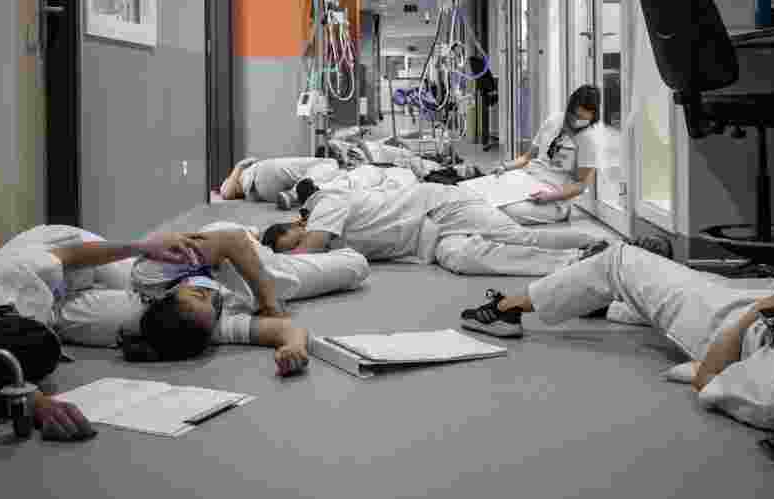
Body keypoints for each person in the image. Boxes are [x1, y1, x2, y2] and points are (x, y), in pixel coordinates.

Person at [459, 239, 774, 494]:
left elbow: (709, 377)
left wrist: (755, 315)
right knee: (646, 289)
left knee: (621, 261)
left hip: (732, 322)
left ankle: (506, 310)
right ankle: (609, 303)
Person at [0, 225, 204, 441]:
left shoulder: (4, 274)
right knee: (154, 320)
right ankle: (208, 310)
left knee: (153, 272)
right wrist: (38, 403)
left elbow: (69, 256)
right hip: (55, 305)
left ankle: (212, 275)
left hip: (73, 256)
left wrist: (142, 245)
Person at [124, 221, 370, 371]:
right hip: (253, 278)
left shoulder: (152, 275)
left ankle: (264, 238)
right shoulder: (208, 327)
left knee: (243, 239)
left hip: (243, 255)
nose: (212, 297)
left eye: (199, 294)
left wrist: (269, 303)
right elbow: (285, 329)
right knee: (357, 266)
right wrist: (293, 346)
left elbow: (232, 240)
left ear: (166, 297)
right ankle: (268, 240)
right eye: (214, 306)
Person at [262, 180, 601, 276]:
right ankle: (571, 262)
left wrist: (268, 262)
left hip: (442, 206)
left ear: (298, 223)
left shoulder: (325, 204)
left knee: (518, 235)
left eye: (293, 242)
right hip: (429, 238)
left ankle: (601, 243)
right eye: (292, 251)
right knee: (463, 261)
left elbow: (314, 245)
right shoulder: (331, 239)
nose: (298, 250)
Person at [492, 85, 609, 225]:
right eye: (575, 115)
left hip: (554, 197)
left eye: (584, 119)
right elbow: (527, 157)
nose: (577, 122)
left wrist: (550, 196)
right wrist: (505, 167)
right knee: (490, 196)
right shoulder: (554, 120)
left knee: (508, 211)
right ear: (569, 108)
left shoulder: (588, 140)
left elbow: (581, 185)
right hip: (528, 179)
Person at [219, 156, 421, 209]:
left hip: (266, 190)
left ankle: (296, 194)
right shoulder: (244, 173)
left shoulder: (244, 186)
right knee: (329, 163)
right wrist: (239, 166)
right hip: (266, 175)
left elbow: (228, 193)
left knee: (333, 177)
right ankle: (295, 194)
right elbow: (227, 192)